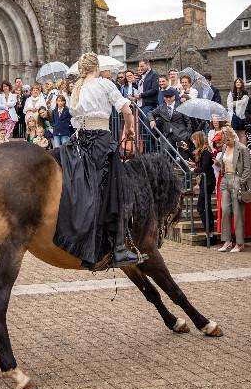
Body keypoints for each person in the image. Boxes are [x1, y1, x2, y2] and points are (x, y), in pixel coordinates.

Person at [52, 52, 148, 269]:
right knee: (117, 188)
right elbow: (127, 109)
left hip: (78, 142)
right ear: (96, 67)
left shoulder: (76, 89)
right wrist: (130, 130)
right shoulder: (105, 84)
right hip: (100, 142)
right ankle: (120, 247)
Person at [218, 126, 251, 252]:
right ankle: (227, 241)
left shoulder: (242, 148)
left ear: (231, 136)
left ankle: (240, 243)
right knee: (225, 211)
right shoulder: (224, 147)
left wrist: (240, 182)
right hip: (225, 180)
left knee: (237, 212)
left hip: (237, 179)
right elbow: (224, 163)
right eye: (223, 140)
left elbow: (247, 168)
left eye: (226, 139)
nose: (224, 142)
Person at [188, 131, 216, 244]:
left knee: (201, 207)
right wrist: (186, 151)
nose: (193, 142)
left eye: (194, 140)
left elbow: (204, 167)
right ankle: (210, 235)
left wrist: (194, 170)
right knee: (206, 207)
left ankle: (209, 234)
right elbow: (197, 161)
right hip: (206, 181)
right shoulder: (203, 152)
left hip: (208, 182)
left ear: (198, 139)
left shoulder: (206, 152)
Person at [148, 88, 192, 153]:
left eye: (170, 97)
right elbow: (150, 113)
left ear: (174, 97)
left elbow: (188, 121)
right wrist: (152, 120)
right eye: (166, 97)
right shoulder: (161, 107)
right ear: (164, 98)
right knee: (167, 152)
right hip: (168, 135)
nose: (168, 99)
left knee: (183, 156)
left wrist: (188, 134)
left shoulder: (181, 105)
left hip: (181, 135)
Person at [227, 78, 249, 144]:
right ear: (235, 84)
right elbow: (229, 103)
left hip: (241, 116)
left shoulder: (244, 92)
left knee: (242, 133)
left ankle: (243, 149)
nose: (238, 83)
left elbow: (245, 101)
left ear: (242, 84)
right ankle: (237, 148)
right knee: (235, 133)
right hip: (233, 116)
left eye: (239, 82)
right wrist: (238, 103)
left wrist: (235, 103)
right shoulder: (232, 92)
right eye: (237, 82)